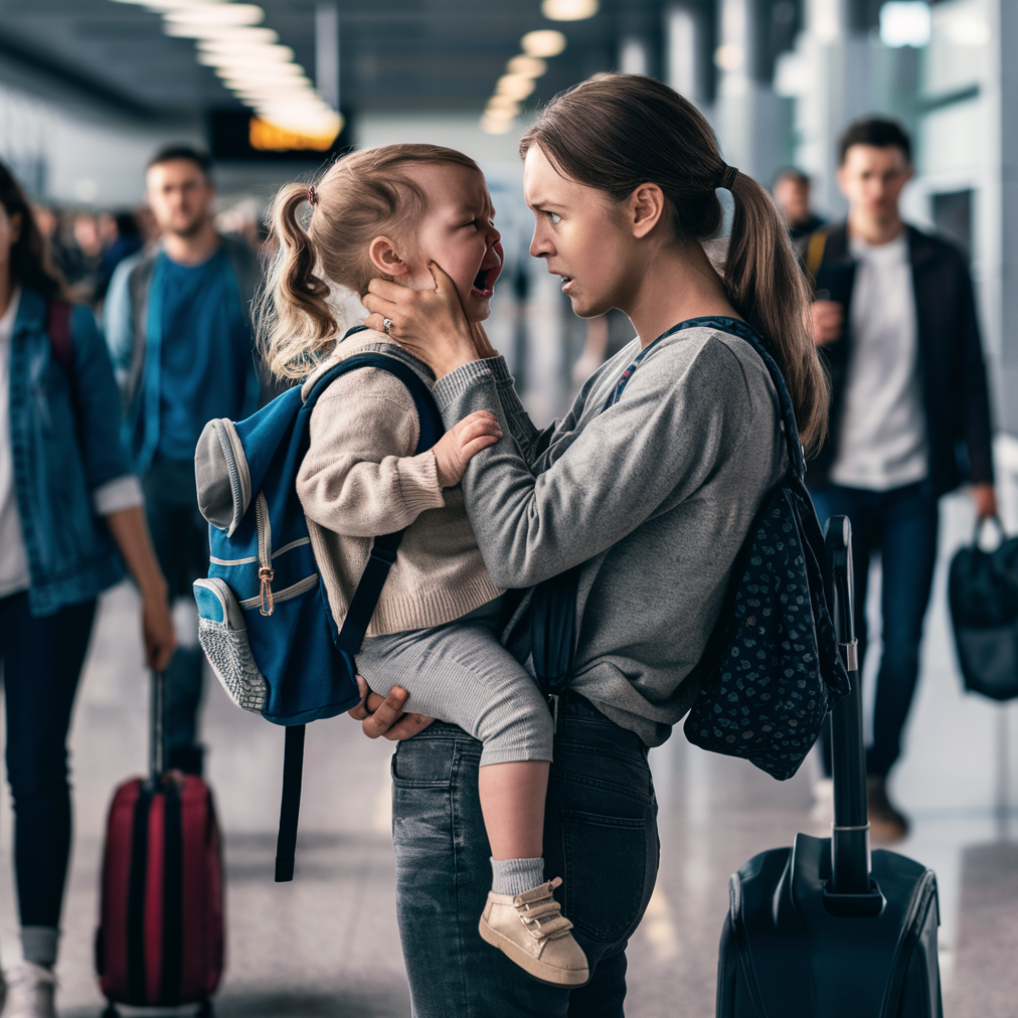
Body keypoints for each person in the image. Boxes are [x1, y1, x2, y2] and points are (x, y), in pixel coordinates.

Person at [353, 73, 829, 1016]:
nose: (535, 245)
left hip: (550, 785)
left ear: (644, 207)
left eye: (554, 214)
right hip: (560, 770)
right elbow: (535, 501)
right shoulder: (650, 359)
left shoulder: (697, 370)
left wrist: (460, 363)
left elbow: (523, 541)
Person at [254, 144, 588, 986]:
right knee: (516, 717)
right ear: (391, 258)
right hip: (408, 631)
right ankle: (514, 896)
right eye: (468, 223)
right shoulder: (372, 375)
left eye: (491, 218)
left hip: (441, 609)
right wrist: (431, 470)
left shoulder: (432, 356)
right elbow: (326, 486)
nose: (498, 237)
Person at [0, 161, 175, 1018]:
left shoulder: (64, 332)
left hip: (48, 583)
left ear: (11, 226)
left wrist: (149, 590)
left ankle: (33, 969)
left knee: (34, 766)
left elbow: (110, 472)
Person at [801, 117, 996, 840]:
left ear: (907, 177)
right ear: (844, 180)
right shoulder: (811, 257)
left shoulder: (940, 261)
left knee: (905, 640)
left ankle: (877, 774)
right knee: (841, 638)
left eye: (889, 174)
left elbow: (971, 370)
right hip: (833, 481)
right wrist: (799, 331)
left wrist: (982, 474)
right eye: (864, 175)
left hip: (914, 483)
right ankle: (833, 779)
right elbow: (758, 358)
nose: (877, 188)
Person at [104, 144, 261, 776]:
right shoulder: (136, 281)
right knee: (171, 613)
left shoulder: (247, 271)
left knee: (229, 614)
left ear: (208, 191)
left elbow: (278, 358)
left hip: (232, 476)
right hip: (160, 474)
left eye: (189, 186)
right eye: (166, 189)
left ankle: (188, 746)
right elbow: (118, 375)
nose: (179, 199)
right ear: (152, 200)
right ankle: (178, 754)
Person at [773, 167, 825, 241]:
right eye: (795, 192)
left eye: (804, 193)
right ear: (778, 193)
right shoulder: (768, 229)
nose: (800, 198)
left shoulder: (822, 230)